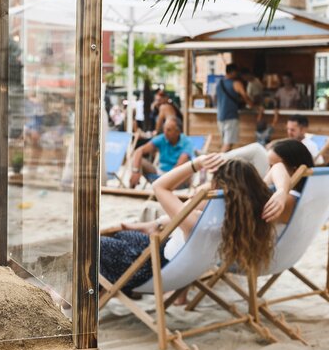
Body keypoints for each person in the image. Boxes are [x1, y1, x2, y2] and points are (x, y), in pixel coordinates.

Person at [100, 154, 279, 295]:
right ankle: (153, 225)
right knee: (124, 236)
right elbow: (278, 168)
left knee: (94, 244)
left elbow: (160, 186)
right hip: (176, 265)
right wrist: (283, 190)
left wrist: (197, 163)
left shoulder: (197, 224)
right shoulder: (247, 215)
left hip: (150, 270)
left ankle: (90, 296)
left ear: (217, 184)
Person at [129, 118, 194, 187]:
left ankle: (162, 185)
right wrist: (135, 171)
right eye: (164, 129)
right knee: (138, 159)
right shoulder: (163, 137)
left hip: (178, 177)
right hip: (160, 173)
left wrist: (164, 180)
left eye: (168, 130)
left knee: (184, 170)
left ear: (177, 132)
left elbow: (178, 167)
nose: (165, 132)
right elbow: (139, 151)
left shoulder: (187, 142)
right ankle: (133, 184)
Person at [264, 138, 315, 224]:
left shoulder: (285, 202)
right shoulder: (309, 196)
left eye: (272, 167)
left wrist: (282, 191)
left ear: (294, 171)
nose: (269, 172)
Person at [215, 64, 253, 152]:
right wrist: (251, 104)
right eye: (236, 72)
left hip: (220, 116)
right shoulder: (236, 83)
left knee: (225, 143)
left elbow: (215, 97)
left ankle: (221, 162)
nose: (237, 74)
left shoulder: (219, 83)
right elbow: (245, 96)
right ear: (232, 72)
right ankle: (218, 164)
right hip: (230, 116)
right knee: (228, 144)